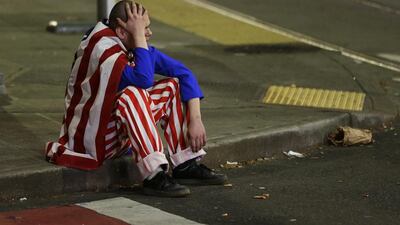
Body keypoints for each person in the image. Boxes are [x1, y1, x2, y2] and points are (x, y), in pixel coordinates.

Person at [45, 0, 227, 197]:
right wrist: (139, 38)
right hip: (92, 139)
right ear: (122, 32)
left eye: (147, 28)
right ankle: (153, 175)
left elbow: (184, 74)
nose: (149, 33)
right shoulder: (104, 51)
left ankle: (185, 163)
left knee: (171, 85)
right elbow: (143, 80)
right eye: (143, 28)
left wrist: (196, 120)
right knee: (133, 93)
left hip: (116, 135)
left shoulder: (130, 44)